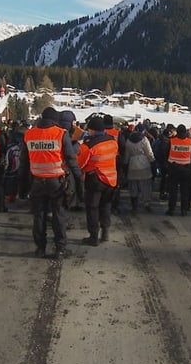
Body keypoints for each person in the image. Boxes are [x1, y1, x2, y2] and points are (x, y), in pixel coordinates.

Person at [23, 107, 82, 259]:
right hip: (57, 182)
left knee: (39, 215)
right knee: (58, 214)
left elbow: (24, 162)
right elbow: (71, 159)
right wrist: (78, 179)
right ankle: (59, 249)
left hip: (37, 181)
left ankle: (40, 248)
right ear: (55, 120)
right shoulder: (60, 134)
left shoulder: (29, 134)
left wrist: (21, 186)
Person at [77, 116, 118, 246]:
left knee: (92, 207)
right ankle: (105, 231)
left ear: (92, 130)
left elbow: (80, 163)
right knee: (106, 205)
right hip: (111, 179)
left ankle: (93, 236)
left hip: (95, 179)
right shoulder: (112, 142)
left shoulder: (88, 145)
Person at [123, 124, 155, 214]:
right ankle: (147, 203)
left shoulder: (129, 140)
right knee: (145, 186)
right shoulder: (144, 140)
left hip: (132, 164)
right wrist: (152, 162)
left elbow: (126, 155)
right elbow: (149, 153)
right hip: (144, 164)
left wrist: (125, 164)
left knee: (133, 186)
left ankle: (134, 206)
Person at [165, 124, 191, 216]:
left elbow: (166, 153)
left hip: (174, 168)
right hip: (186, 169)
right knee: (184, 191)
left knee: (173, 191)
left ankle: (171, 209)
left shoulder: (172, 141)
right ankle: (183, 210)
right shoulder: (190, 142)